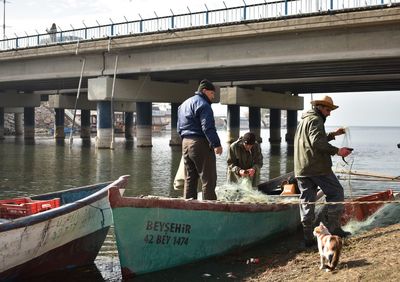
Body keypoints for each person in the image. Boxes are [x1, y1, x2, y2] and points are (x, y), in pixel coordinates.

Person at [294, 95, 353, 247]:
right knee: (336, 192)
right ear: (319, 107)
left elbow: (314, 139)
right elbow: (316, 142)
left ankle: (308, 239)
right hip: (317, 167)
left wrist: (333, 134)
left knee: (307, 202)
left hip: (301, 169)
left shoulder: (305, 120)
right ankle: (333, 229)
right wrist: (338, 151)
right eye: (328, 109)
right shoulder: (316, 120)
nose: (329, 113)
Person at [177, 79, 223, 200]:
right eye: (212, 93)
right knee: (208, 178)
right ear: (204, 91)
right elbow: (208, 127)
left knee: (190, 178)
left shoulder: (183, 105)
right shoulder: (204, 105)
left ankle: (188, 206)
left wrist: (185, 140)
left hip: (185, 142)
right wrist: (216, 144)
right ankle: (209, 208)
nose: (213, 97)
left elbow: (179, 127)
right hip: (199, 143)